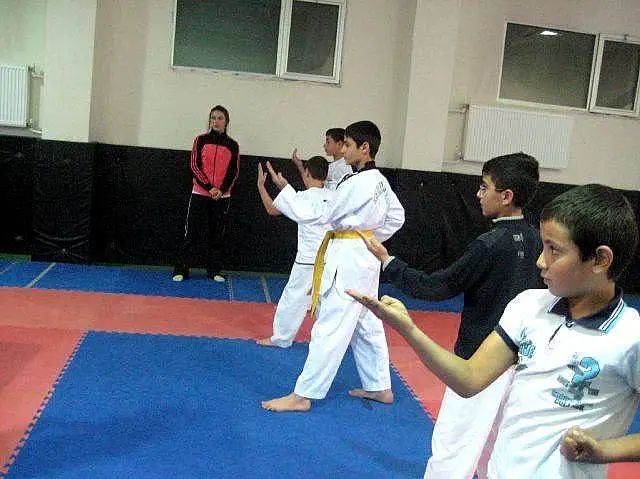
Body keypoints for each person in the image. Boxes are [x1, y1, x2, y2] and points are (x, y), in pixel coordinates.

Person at [348, 183, 640, 479]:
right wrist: (408, 329)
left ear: (600, 260)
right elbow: (469, 378)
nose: (541, 261)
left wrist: (606, 451)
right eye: (543, 246)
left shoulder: (630, 337)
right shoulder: (529, 306)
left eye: (554, 250)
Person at [359, 153, 544, 478]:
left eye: (484, 187)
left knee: (453, 445)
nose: (478, 194)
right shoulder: (537, 240)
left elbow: (436, 287)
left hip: (479, 360)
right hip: (523, 360)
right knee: (498, 447)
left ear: (506, 196)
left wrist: (388, 261)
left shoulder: (490, 244)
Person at [261, 120, 405, 412]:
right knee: (366, 323)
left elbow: (323, 214)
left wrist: (287, 193)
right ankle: (379, 386)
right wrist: (369, 236)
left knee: (330, 327)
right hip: (365, 258)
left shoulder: (357, 183)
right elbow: (396, 217)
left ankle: (303, 395)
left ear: (365, 148)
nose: (344, 150)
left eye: (348, 145)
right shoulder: (380, 182)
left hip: (348, 259)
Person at [255, 156, 334, 348]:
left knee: (293, 299)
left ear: (306, 173)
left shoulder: (302, 198)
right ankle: (329, 340)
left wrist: (262, 186)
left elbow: (273, 209)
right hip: (331, 258)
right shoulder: (335, 197)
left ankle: (282, 338)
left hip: (307, 260)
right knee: (327, 300)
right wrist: (285, 187)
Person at [172, 105, 240, 283]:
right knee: (191, 232)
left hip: (222, 197)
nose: (216, 121)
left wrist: (221, 190)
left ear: (226, 122)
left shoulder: (233, 145)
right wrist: (209, 187)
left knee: (217, 234)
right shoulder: (200, 140)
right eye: (213, 118)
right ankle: (181, 269)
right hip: (200, 193)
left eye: (220, 118)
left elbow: (234, 171)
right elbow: (194, 166)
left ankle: (214, 270)